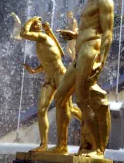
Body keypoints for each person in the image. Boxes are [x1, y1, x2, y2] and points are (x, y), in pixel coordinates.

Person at [50, 0, 114, 157]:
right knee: (60, 97)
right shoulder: (89, 2)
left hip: (90, 51)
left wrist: (100, 62)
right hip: (81, 52)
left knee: (82, 99)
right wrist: (75, 35)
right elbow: (90, 28)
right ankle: (61, 146)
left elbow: (108, 34)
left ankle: (96, 149)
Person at [20, 17, 81, 152]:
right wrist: (34, 70)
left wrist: (31, 19)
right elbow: (51, 59)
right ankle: (43, 144)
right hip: (48, 79)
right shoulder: (40, 42)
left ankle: (87, 123)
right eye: (34, 25)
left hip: (60, 75)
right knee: (41, 110)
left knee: (68, 108)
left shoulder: (42, 37)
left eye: (37, 25)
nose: (35, 26)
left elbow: (23, 33)